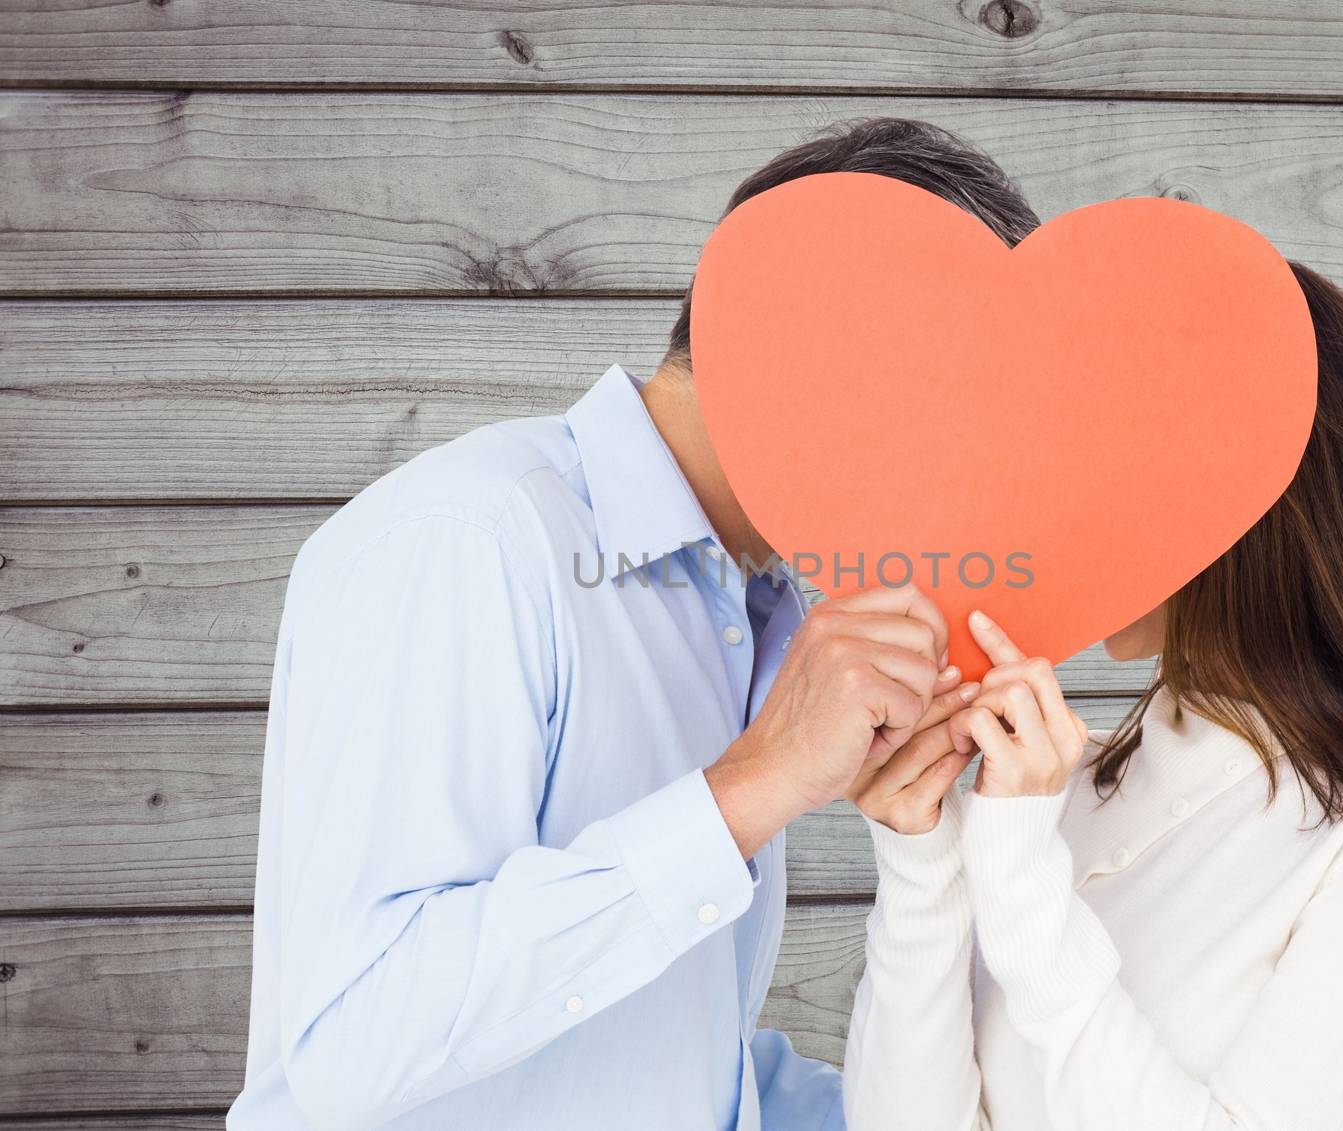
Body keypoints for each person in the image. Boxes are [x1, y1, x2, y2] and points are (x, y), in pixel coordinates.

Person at [226, 118, 1040, 1131]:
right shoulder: (467, 541)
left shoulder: (749, 610)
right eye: (961, 403)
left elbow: (653, 1056)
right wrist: (751, 787)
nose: (968, 471)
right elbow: (352, 1046)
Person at [843, 263, 1343, 1130]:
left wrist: (1024, 881)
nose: (1054, 503)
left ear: (1235, 503)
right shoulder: (1068, 787)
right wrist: (923, 862)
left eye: (1098, 458)